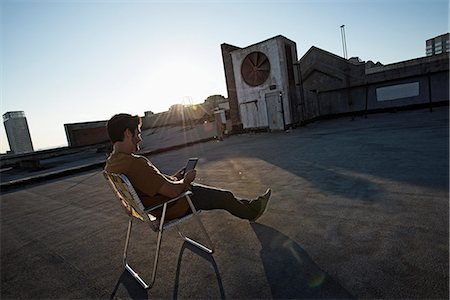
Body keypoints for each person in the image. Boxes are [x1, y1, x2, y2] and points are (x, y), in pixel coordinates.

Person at [104, 113, 271, 222]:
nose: (139, 138)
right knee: (225, 196)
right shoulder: (135, 163)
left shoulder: (112, 165)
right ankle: (252, 213)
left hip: (156, 208)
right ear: (127, 133)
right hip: (175, 206)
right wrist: (186, 180)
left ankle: (250, 205)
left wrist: (175, 178)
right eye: (137, 133)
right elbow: (173, 192)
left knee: (224, 197)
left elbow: (153, 184)